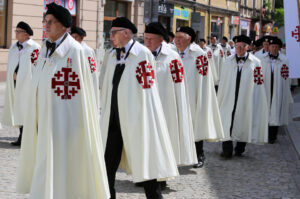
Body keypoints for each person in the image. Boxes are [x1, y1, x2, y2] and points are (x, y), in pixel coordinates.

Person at [16, 3, 110, 199]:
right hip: (43, 119)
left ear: (64, 26)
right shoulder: (45, 49)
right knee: (44, 162)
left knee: (62, 166)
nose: (46, 25)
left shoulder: (77, 52)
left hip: (65, 123)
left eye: (51, 22)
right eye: (45, 21)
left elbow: (85, 92)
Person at [100, 17, 178, 199]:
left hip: (136, 119)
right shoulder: (111, 55)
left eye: (113, 32)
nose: (110, 36)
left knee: (146, 162)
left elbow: (147, 91)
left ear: (126, 33)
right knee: (107, 165)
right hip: (112, 119)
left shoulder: (142, 54)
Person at [144, 22, 197, 167]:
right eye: (145, 38)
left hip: (166, 106)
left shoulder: (172, 58)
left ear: (161, 39)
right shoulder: (140, 55)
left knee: (165, 139)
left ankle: (163, 174)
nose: (147, 42)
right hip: (144, 106)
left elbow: (179, 86)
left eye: (151, 39)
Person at [174, 27, 224, 168]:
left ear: (189, 38)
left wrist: (200, 97)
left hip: (193, 94)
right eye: (176, 37)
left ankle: (199, 154)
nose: (176, 40)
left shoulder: (198, 54)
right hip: (176, 94)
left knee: (195, 125)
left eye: (180, 37)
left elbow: (203, 79)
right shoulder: (172, 53)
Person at [217, 35, 268, 158]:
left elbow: (258, 83)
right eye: (237, 46)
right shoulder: (228, 60)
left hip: (246, 97)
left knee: (244, 120)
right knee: (226, 120)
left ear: (248, 47)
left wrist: (256, 99)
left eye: (243, 47)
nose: (239, 49)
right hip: (229, 96)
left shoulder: (255, 62)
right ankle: (227, 150)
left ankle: (240, 147)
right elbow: (223, 81)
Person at [2, 21, 40, 146]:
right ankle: (21, 136)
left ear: (26, 34)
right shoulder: (14, 47)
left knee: (27, 110)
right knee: (18, 109)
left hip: (28, 85)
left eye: (18, 31)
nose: (16, 33)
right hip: (15, 84)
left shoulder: (34, 48)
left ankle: (29, 138)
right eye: (16, 31)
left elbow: (37, 67)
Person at [260, 36, 291, 144]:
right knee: (265, 110)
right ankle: (264, 133)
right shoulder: (262, 59)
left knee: (275, 111)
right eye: (272, 46)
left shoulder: (284, 60)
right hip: (266, 88)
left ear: (279, 49)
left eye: (276, 47)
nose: (273, 49)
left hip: (277, 89)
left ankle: (272, 136)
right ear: (269, 47)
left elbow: (286, 78)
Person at [71, 26, 100, 107]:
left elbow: (92, 70)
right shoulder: (72, 49)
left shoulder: (87, 51)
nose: (73, 40)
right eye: (72, 37)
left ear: (81, 38)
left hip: (85, 82)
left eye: (75, 37)